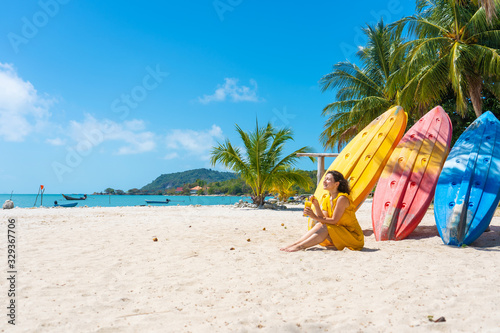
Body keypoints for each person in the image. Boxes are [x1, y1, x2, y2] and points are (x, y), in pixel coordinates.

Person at [280, 170, 364, 252]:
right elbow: (323, 219)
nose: (324, 181)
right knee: (320, 224)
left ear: (336, 184)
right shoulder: (327, 199)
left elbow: (334, 220)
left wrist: (314, 216)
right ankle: (295, 244)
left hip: (353, 237)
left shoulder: (342, 198)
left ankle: (300, 246)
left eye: (328, 179)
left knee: (325, 226)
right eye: (324, 179)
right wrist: (316, 206)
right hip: (340, 232)